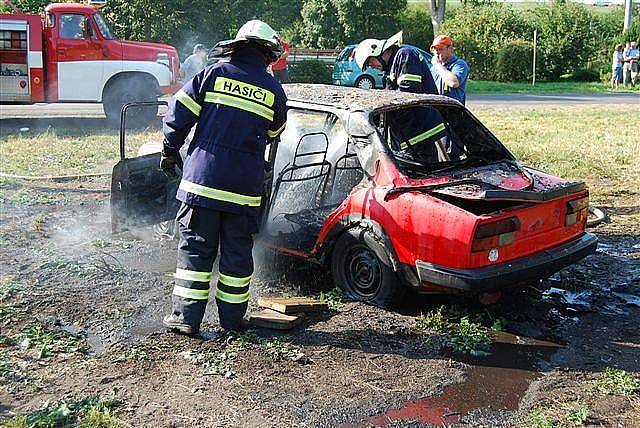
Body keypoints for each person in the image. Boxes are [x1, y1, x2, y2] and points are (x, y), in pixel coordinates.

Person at [161, 20, 287, 335]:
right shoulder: (273, 90)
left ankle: (186, 319)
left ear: (238, 45)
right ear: (266, 53)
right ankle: (231, 323)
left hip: (201, 183)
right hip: (243, 189)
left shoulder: (212, 75)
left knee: (195, 250)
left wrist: (169, 150)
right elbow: (275, 132)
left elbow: (179, 115)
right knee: (236, 257)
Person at [353, 31, 445, 162]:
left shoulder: (405, 55)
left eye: (370, 62)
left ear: (377, 52)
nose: (371, 67)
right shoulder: (392, 66)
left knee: (422, 174)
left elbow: (407, 94)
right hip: (408, 134)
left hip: (420, 132)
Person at [429, 35, 469, 105]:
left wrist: (438, 65)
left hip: (452, 110)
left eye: (440, 49)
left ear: (450, 49)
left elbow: (454, 83)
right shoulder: (433, 68)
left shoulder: (459, 64)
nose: (437, 52)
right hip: (436, 108)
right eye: (435, 49)